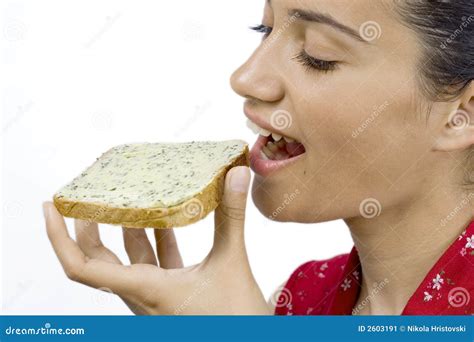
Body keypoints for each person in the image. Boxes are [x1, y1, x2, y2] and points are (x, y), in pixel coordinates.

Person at [43, 0, 474, 315]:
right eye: (265, 29)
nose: (245, 78)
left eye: (318, 56)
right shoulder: (299, 300)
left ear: (461, 115)